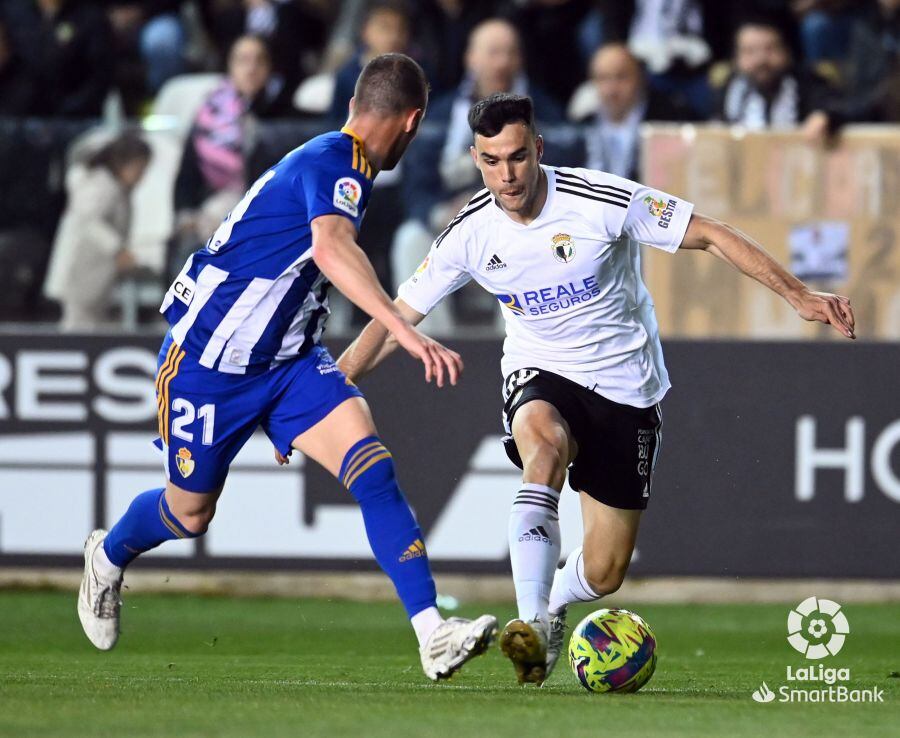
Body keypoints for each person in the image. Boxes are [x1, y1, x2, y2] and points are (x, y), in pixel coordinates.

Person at [336, 93, 856, 685]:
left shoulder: (597, 200)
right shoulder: (468, 234)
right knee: (543, 447)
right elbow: (395, 321)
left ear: (538, 149)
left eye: (515, 158)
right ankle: (529, 626)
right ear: (476, 160)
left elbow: (709, 233)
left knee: (607, 571)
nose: (505, 176)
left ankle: (555, 604)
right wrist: (332, 387)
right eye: (489, 161)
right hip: (541, 371)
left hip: (627, 388)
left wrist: (799, 295)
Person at [76, 53, 497, 682]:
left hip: (289, 360)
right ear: (412, 122)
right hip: (208, 363)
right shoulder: (339, 162)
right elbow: (331, 247)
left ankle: (432, 633)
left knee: (372, 469)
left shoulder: (331, 159)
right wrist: (401, 327)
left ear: (357, 104)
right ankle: (107, 557)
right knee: (190, 512)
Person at [170, 34, 293, 280]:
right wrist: (185, 215)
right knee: (193, 239)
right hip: (212, 207)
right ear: (230, 66)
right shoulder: (209, 113)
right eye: (243, 60)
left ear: (269, 68)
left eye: (260, 61)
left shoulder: (285, 111)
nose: (251, 68)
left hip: (266, 212)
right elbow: (187, 174)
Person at [43, 133, 151, 331]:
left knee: (91, 323)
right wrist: (117, 250)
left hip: (96, 273)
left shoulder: (118, 189)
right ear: (124, 162)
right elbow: (88, 220)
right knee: (78, 325)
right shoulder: (101, 184)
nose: (141, 176)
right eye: (139, 169)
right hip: (80, 269)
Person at [581, 43, 695, 179]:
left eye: (621, 77)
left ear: (639, 77)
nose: (612, 89)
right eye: (603, 78)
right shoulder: (584, 125)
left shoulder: (671, 122)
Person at [715, 17, 838, 140]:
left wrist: (824, 115)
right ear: (736, 58)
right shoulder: (729, 89)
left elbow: (840, 106)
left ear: (787, 52)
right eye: (750, 51)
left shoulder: (807, 83)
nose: (761, 60)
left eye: (770, 49)